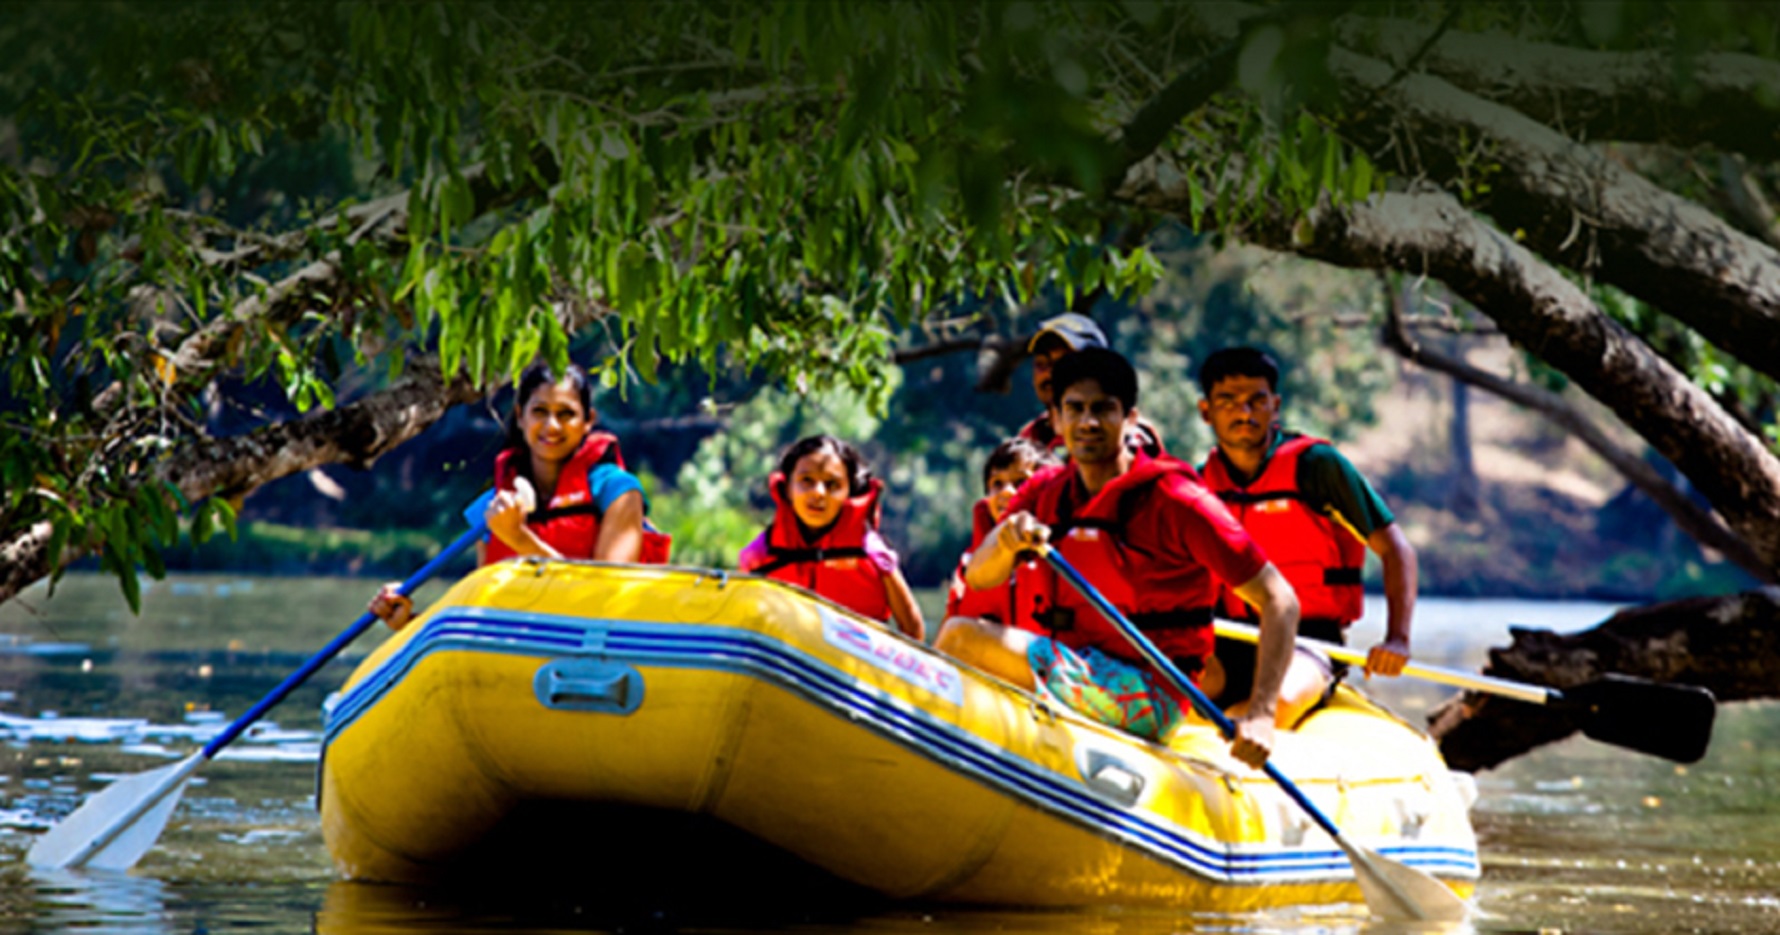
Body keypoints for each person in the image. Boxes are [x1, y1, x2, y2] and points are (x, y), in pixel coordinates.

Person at [936, 348, 1301, 770]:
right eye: (1075, 409)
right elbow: (979, 577)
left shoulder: (1178, 500)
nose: (1088, 422)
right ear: (1057, 421)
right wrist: (1005, 542)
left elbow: (1280, 600)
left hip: (1153, 693)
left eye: (1103, 409)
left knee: (961, 639)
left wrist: (1262, 715)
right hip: (1078, 665)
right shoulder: (1046, 491)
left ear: (1130, 419)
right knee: (963, 636)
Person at [369, 361, 671, 630]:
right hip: (522, 653)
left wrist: (519, 539)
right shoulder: (493, 508)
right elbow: (483, 618)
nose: (552, 426)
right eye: (539, 411)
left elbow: (605, 600)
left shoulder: (618, 493)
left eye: (566, 414)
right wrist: (410, 621)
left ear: (588, 421)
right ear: (520, 416)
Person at [1195, 346, 1418, 709]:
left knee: (1279, 703)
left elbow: (1396, 549)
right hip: (1231, 635)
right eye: (1228, 402)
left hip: (1307, 639)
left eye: (1257, 401)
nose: (1244, 413)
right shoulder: (1200, 484)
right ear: (1206, 411)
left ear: (1275, 406)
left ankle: (1254, 723)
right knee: (1179, 693)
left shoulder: (1317, 467)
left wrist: (1397, 639)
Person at [739, 435, 926, 641]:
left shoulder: (872, 551)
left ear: (849, 493)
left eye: (832, 484)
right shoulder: (759, 555)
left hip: (855, 655)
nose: (818, 493)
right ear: (788, 489)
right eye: (806, 481)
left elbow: (912, 627)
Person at [943, 437, 1060, 626]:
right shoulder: (969, 563)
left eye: (1021, 482)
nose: (1006, 491)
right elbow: (948, 632)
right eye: (997, 483)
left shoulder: (1062, 552)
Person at [1018, 312, 1164, 456]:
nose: (1050, 374)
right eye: (1042, 364)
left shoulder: (1127, 437)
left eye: (1063, 363)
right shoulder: (1031, 436)